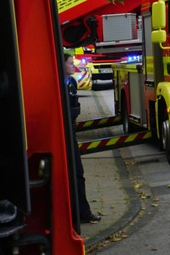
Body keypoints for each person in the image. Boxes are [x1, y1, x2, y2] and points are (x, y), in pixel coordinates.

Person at [64, 54, 101, 225]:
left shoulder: (71, 83)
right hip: (64, 132)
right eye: (70, 63)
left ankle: (82, 213)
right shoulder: (59, 83)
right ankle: (77, 214)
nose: (74, 66)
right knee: (72, 173)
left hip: (70, 129)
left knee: (78, 173)